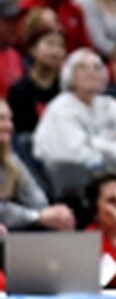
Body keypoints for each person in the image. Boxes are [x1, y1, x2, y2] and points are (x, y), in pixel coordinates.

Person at [34, 48, 116, 197]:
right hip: (71, 186)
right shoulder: (61, 108)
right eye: (82, 68)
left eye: (97, 67)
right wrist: (114, 143)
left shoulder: (111, 105)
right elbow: (79, 155)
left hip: (112, 178)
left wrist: (92, 142)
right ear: (70, 75)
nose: (91, 72)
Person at [0, 98, 73, 232]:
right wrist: (37, 216)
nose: (8, 126)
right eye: (1, 119)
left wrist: (55, 214)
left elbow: (36, 199)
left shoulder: (10, 158)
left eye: (9, 119)